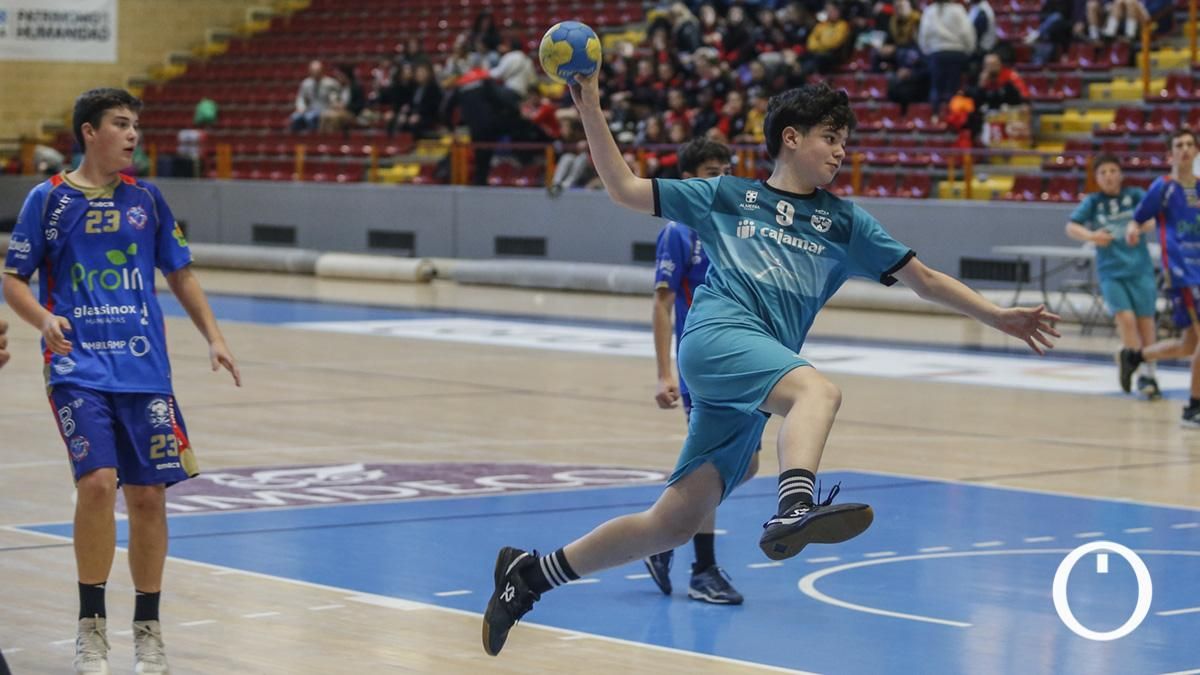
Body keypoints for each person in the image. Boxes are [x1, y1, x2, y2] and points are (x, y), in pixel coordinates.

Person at [480, 77, 1060, 657]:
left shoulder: (845, 223)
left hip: (752, 377)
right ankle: (796, 504)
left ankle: (530, 575)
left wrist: (997, 317)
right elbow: (625, 188)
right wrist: (591, 110)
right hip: (716, 338)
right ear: (790, 138)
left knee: (674, 523)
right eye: (830, 138)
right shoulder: (725, 195)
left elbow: (925, 280)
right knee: (818, 393)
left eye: (844, 141)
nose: (840, 151)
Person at [2, 88, 242, 674]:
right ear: (89, 131)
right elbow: (13, 279)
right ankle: (91, 627)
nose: (132, 135)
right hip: (76, 368)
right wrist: (43, 319)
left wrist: (214, 335)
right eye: (120, 124)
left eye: (135, 125)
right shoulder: (48, 200)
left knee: (149, 498)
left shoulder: (148, 200)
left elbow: (180, 273)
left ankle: (149, 628)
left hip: (145, 372)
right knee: (97, 485)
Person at [646, 137, 753, 605]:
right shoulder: (678, 232)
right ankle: (703, 570)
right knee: (712, 465)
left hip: (740, 363)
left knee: (745, 464)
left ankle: (662, 534)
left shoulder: (733, 230)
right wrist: (663, 373)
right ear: (686, 179)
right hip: (702, 365)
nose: (720, 179)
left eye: (725, 170)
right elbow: (663, 304)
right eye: (711, 171)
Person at [1119, 129, 1200, 424]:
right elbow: (1138, 219)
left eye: (1191, 144)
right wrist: (1132, 229)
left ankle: (1136, 357)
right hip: (1182, 273)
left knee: (1189, 345)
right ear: (1171, 153)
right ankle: (1193, 407)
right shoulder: (1163, 187)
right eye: (1179, 145)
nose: (1186, 149)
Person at [1066, 154, 1160, 399]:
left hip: (1139, 269)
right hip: (1111, 271)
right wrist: (1091, 236)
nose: (1108, 176)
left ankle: (1149, 372)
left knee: (1146, 322)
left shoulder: (1136, 195)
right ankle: (1134, 365)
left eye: (1112, 170)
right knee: (1126, 320)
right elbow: (1071, 226)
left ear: (1120, 173)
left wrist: (1138, 227)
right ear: (1096, 178)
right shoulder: (1094, 202)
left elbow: (1152, 218)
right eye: (1103, 172)